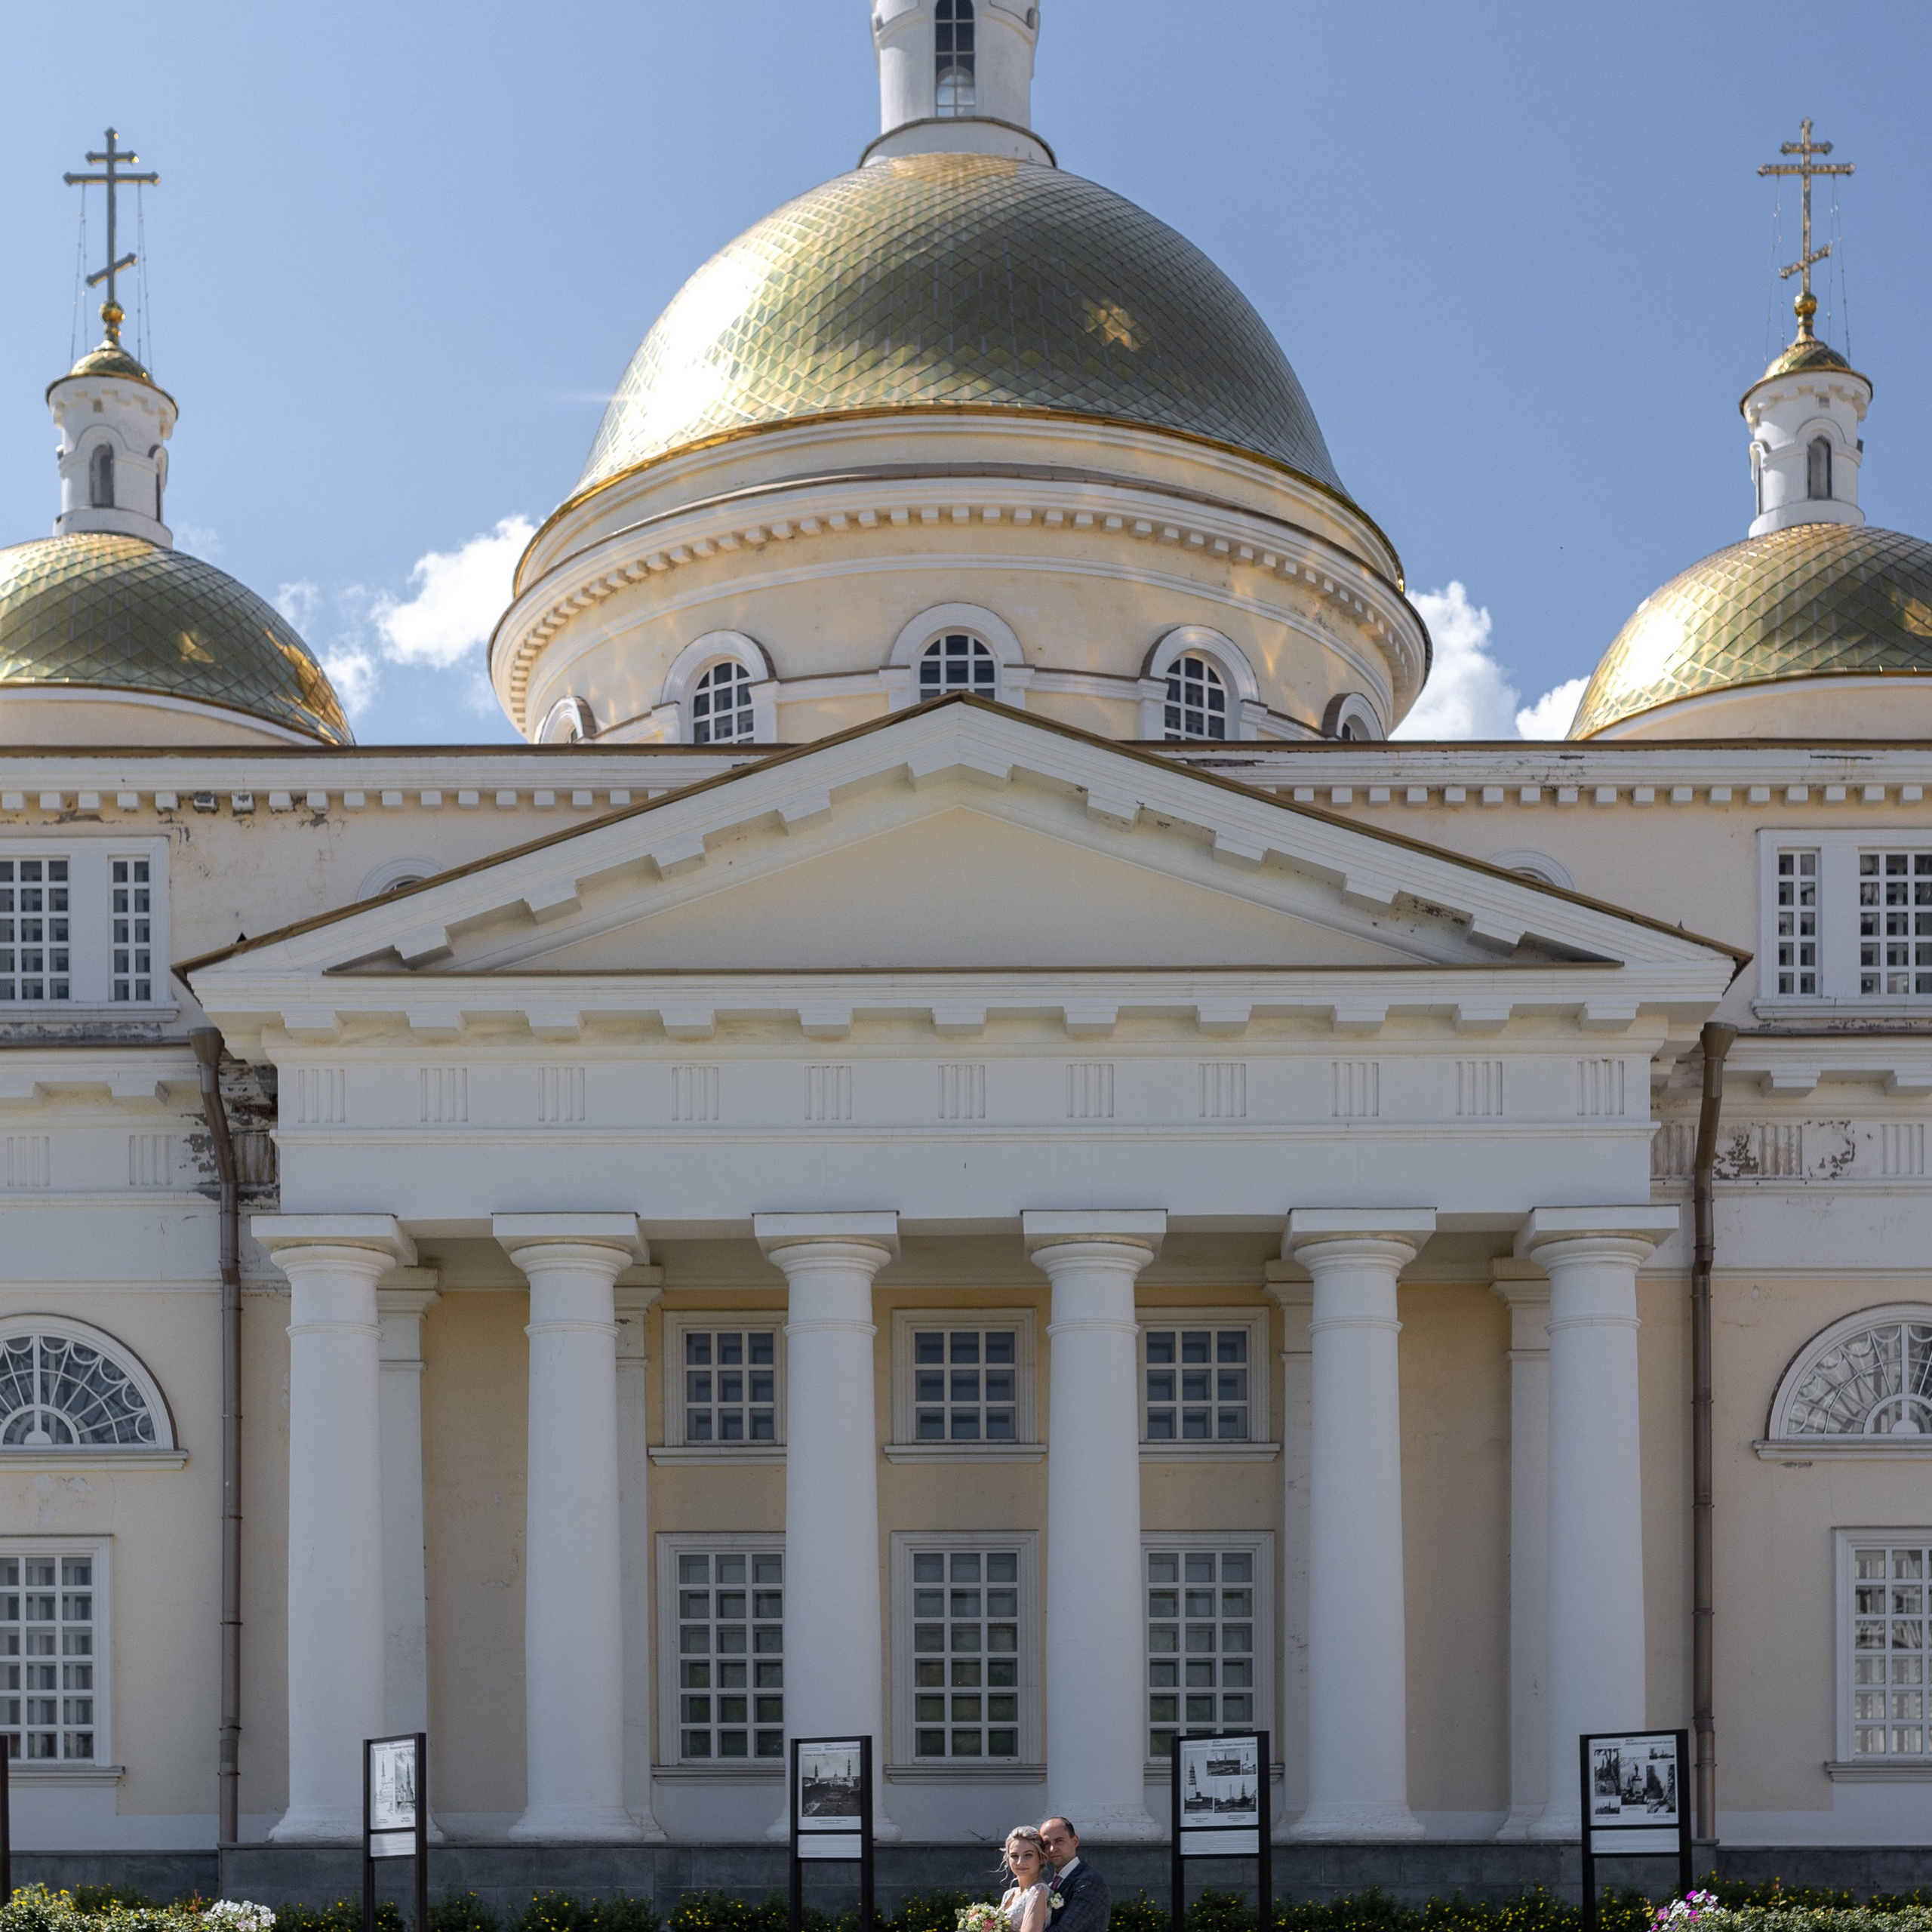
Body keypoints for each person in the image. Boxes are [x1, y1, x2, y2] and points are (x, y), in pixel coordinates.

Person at [1040, 1817, 1109, 1932]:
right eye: (1046, 1843)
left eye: (1059, 1841)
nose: (1052, 1849)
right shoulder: (1050, 1885)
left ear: (1075, 1841)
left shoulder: (1090, 1881)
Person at [998, 1826, 1054, 1932]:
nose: (1020, 1862)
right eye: (1014, 1856)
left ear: (1041, 1858)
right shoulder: (1009, 1894)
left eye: (1028, 1855)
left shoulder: (1039, 1890)